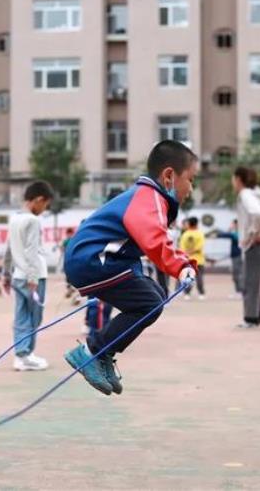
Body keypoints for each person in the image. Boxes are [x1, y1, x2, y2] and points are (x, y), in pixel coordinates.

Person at [63, 140, 198, 396]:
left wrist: (182, 263)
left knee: (156, 296)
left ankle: (101, 354)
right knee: (149, 302)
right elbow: (154, 240)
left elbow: (156, 238)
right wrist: (181, 266)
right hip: (92, 260)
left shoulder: (150, 198)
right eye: (191, 180)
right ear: (169, 176)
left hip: (108, 260)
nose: (191, 188)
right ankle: (91, 353)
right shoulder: (148, 198)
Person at [3, 181, 54, 372]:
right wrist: (33, 278)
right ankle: (26, 354)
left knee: (21, 315)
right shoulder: (33, 221)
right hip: (34, 276)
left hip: (18, 275)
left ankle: (20, 354)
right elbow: (32, 250)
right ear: (38, 200)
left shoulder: (14, 219)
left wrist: (6, 274)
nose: (44, 209)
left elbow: (8, 249)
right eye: (45, 205)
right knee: (34, 317)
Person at [233, 166, 260, 328]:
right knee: (252, 281)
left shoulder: (245, 194)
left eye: (233, 179)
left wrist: (254, 234)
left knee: (249, 283)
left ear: (239, 179)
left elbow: (256, 214)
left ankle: (251, 318)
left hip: (255, 246)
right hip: (258, 246)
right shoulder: (256, 194)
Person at [179, 216, 206, 300]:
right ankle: (201, 293)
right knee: (199, 277)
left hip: (187, 260)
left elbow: (181, 248)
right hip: (199, 260)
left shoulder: (185, 234)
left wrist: (187, 252)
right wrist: (193, 251)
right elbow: (200, 247)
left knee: (187, 277)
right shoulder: (200, 234)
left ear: (189, 224)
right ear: (196, 224)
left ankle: (187, 293)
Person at [214, 219, 243, 299]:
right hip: (235, 256)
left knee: (237, 275)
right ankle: (239, 291)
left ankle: (240, 291)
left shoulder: (237, 234)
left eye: (233, 224)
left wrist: (229, 229)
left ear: (237, 225)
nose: (232, 225)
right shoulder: (236, 233)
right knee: (236, 275)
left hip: (238, 256)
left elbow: (224, 235)